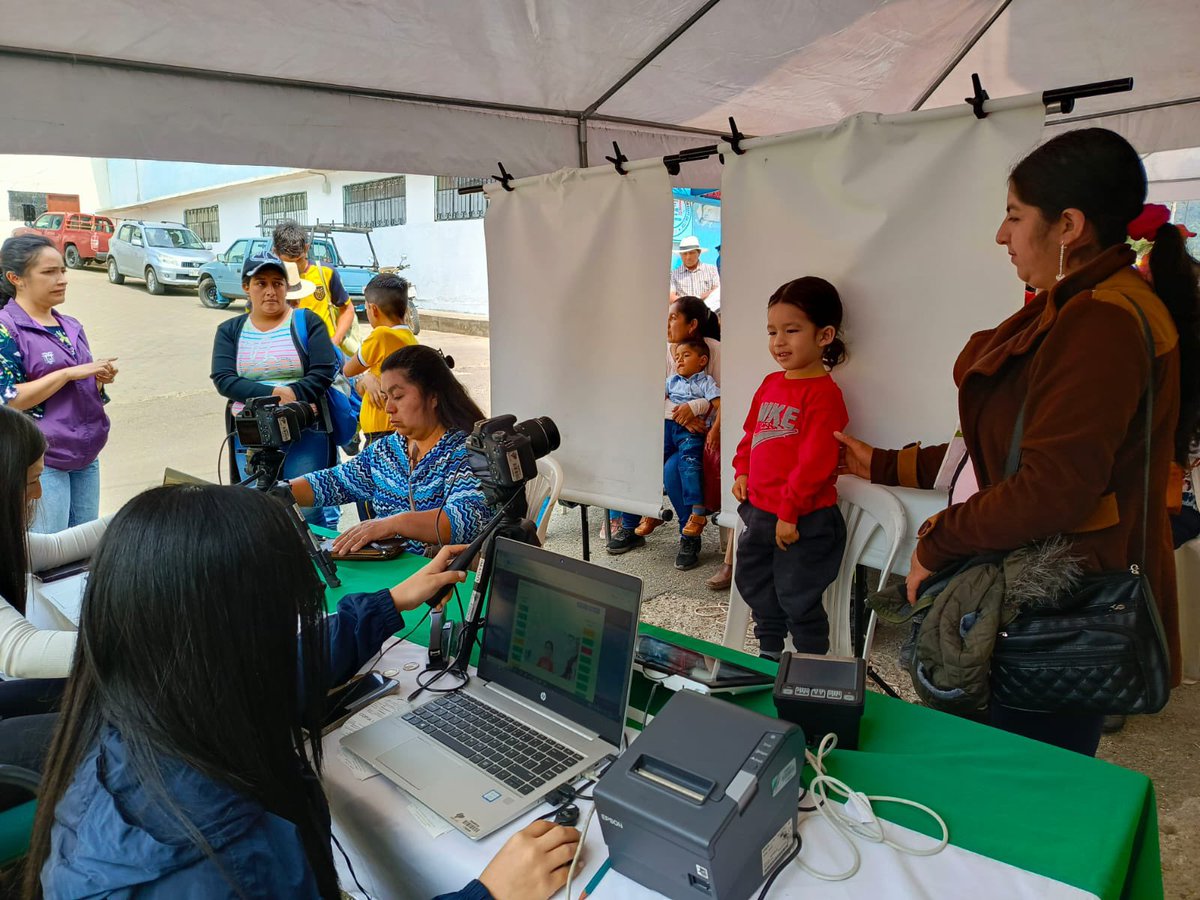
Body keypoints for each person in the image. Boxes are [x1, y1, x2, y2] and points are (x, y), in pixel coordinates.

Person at [23, 484, 581, 899]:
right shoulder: (228, 868)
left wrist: (390, 603)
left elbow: (278, 671)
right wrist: (488, 895)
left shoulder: (136, 708)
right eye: (283, 616)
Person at [836, 128, 1199, 756]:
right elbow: (1008, 446)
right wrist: (889, 462)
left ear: (1069, 225)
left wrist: (938, 541)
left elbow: (1052, 484)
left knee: (1018, 774)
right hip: (1048, 582)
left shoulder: (1101, 320)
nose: (1002, 235)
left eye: (1013, 216)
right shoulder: (1083, 305)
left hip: (1060, 596)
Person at [732, 277, 849, 658]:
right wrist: (742, 471)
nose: (779, 341)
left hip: (803, 519)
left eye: (791, 330)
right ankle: (769, 657)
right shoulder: (770, 383)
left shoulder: (825, 394)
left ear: (824, 335)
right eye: (772, 331)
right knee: (757, 585)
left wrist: (790, 513)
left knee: (798, 595)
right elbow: (752, 433)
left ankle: (810, 663)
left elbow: (816, 461)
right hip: (761, 511)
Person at [290, 345, 491, 555]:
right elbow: (333, 482)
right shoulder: (386, 451)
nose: (388, 408)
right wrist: (279, 492)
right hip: (394, 574)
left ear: (433, 396)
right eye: (386, 397)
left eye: (398, 396)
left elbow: (467, 518)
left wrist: (393, 524)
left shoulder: (466, 452)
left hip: (447, 579)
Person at [211, 253, 339, 527]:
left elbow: (324, 370)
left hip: (305, 431)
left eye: (278, 283)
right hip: (249, 434)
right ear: (247, 287)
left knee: (308, 511)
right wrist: (274, 394)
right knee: (256, 508)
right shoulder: (230, 330)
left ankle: (315, 566)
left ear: (286, 287)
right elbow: (223, 378)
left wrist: (293, 394)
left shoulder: (307, 322)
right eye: (261, 283)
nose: (270, 291)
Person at [0, 235, 115, 534]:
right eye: (49, 272)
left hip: (86, 453)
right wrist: (67, 374)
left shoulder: (71, 326)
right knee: (49, 554)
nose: (62, 279)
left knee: (83, 548)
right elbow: (8, 398)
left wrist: (98, 381)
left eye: (63, 270)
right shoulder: (6, 328)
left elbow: (83, 391)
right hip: (42, 460)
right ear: (16, 278)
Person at [609, 296, 721, 571]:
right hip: (668, 424)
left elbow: (721, 397)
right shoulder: (663, 351)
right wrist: (679, 414)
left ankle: (688, 535)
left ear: (692, 324)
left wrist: (695, 410)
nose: (666, 322)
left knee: (673, 470)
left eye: (673, 317)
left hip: (702, 433)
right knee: (636, 456)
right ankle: (630, 525)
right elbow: (649, 393)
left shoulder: (715, 351)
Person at [655, 338, 720, 539]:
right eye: (676, 357)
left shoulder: (706, 382)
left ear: (702, 361)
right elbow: (654, 399)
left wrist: (714, 430)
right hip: (668, 428)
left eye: (685, 356)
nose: (679, 361)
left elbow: (720, 404)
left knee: (689, 466)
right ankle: (651, 508)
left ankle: (698, 513)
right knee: (651, 459)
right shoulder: (671, 381)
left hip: (690, 433)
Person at [343, 273, 418, 445]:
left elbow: (348, 370)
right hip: (396, 428)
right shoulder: (410, 338)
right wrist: (367, 378)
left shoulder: (381, 335)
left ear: (373, 309)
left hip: (381, 431)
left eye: (367, 308)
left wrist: (365, 377)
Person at [273, 220, 358, 358]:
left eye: (299, 260)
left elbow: (347, 309)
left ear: (306, 248)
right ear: (275, 253)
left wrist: (335, 341)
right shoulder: (269, 280)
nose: (294, 266)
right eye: (288, 262)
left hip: (324, 351)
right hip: (287, 355)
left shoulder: (325, 272)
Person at [669, 236, 720, 305]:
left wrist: (698, 298)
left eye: (691, 253)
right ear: (680, 255)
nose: (688, 257)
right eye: (684, 253)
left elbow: (716, 291)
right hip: (685, 313)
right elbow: (671, 296)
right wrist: (691, 303)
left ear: (698, 253)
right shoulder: (674, 274)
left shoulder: (711, 270)